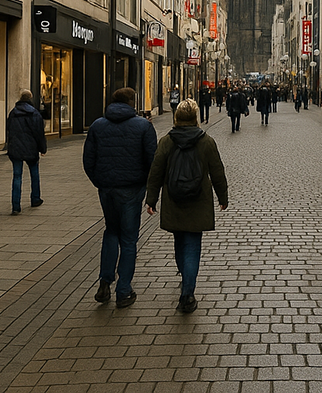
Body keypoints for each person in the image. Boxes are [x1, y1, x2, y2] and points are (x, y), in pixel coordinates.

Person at [146, 99, 228, 313]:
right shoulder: (206, 141)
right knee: (193, 244)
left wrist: (151, 200)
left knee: (179, 241)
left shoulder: (166, 141)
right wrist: (223, 197)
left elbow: (156, 172)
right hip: (198, 200)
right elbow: (217, 172)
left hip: (174, 199)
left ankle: (185, 279)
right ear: (195, 117)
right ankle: (188, 294)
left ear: (176, 118)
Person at [83, 87, 157, 309]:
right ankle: (123, 290)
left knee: (110, 232)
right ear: (132, 102)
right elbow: (152, 160)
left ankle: (104, 282)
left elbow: (88, 160)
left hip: (107, 189)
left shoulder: (98, 125)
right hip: (132, 189)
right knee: (129, 239)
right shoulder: (144, 126)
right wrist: (146, 185)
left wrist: (100, 181)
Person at [6, 89, 47, 215]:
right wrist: (42, 149)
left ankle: (16, 205)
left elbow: (9, 131)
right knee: (34, 174)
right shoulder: (35, 114)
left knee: (17, 176)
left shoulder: (13, 113)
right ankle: (35, 198)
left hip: (16, 149)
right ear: (30, 98)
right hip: (31, 148)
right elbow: (39, 133)